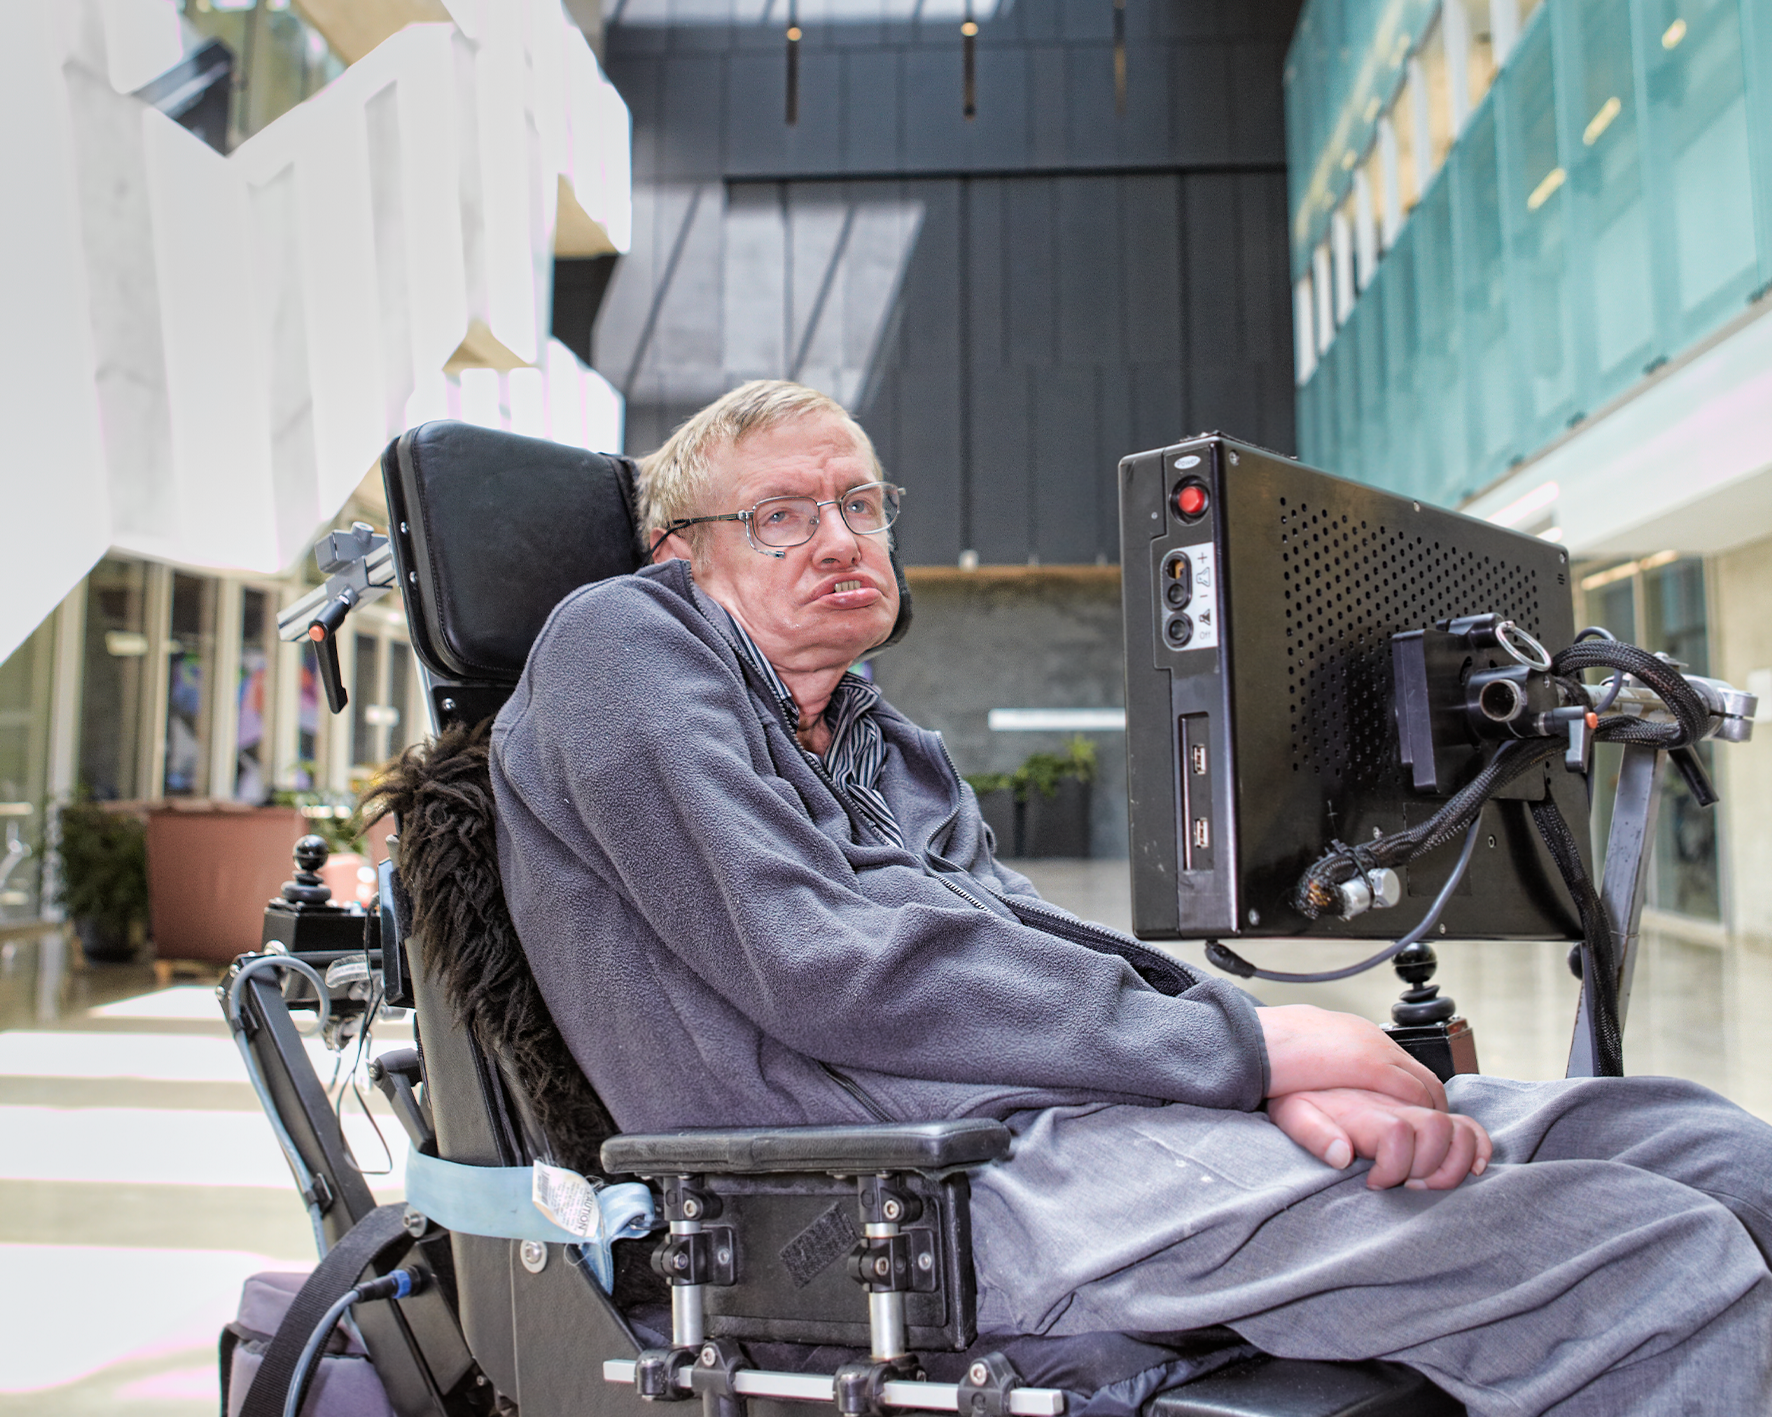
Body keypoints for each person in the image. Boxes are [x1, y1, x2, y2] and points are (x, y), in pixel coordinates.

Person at [490, 380, 1772, 1416]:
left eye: (860, 503)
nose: (839, 539)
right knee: (1651, 1259)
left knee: (1705, 1149)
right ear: (678, 555)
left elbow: (1025, 951)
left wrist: (1252, 1062)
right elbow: (825, 967)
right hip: (898, 1191)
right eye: (779, 516)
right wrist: (1247, 1047)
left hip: (1064, 1127)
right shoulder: (622, 639)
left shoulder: (891, 745)